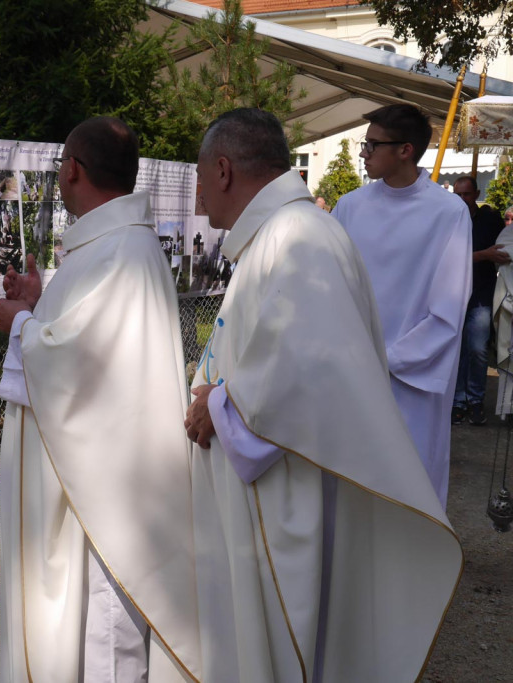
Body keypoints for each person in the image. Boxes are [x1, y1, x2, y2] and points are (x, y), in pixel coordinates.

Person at [185, 108, 462, 683]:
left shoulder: (297, 239)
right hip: (274, 483)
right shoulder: (289, 232)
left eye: (199, 177)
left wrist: (214, 404)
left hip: (286, 491)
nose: (197, 195)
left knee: (282, 645)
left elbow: (298, 375)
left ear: (224, 169)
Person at [0, 116, 199, 682]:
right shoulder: (112, 244)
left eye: (61, 164)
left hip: (107, 481)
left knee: (108, 623)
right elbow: (81, 342)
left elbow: (71, 363)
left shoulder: (122, 251)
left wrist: (19, 324)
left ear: (73, 169)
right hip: (100, 461)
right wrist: (38, 306)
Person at [333, 104, 472, 506]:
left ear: (405, 150)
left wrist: (388, 358)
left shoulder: (448, 214)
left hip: (412, 381)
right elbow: (329, 287)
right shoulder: (349, 207)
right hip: (351, 372)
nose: (364, 153)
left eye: (373, 145)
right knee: (350, 493)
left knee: (407, 494)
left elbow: (448, 310)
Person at [451, 176, 509, 425]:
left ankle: (474, 401)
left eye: (466, 194)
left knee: (476, 349)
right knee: (456, 351)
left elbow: (504, 247)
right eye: (458, 195)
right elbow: (449, 256)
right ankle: (458, 401)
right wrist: (483, 255)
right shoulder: (449, 218)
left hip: (481, 292)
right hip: (452, 292)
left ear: (475, 193)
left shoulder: (490, 219)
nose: (462, 199)